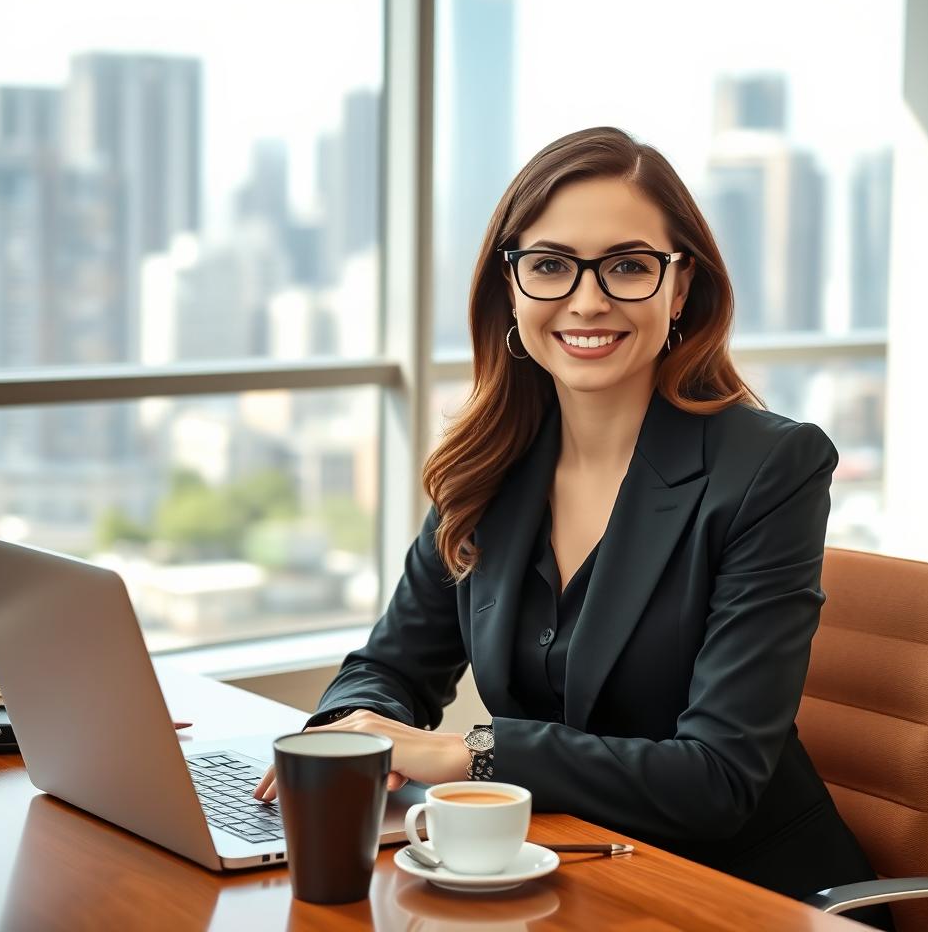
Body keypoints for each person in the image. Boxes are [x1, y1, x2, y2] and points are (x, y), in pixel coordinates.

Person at [254, 126, 893, 929]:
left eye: (628, 266)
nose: (587, 301)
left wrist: (472, 751)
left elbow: (718, 778)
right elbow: (390, 667)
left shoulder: (769, 468)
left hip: (739, 898)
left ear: (680, 285)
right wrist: (348, 738)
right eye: (551, 265)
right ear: (512, 287)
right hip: (557, 878)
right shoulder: (488, 466)